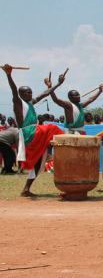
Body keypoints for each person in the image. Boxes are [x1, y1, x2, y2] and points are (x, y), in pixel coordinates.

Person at [2, 65, 66, 196]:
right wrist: (9, 75)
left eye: (30, 92)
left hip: (34, 133)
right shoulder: (18, 102)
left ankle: (26, 190)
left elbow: (45, 93)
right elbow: (14, 90)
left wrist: (57, 84)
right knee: (52, 128)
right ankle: (49, 151)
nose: (29, 94)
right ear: (20, 94)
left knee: (38, 164)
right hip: (28, 133)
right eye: (26, 92)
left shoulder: (30, 103)